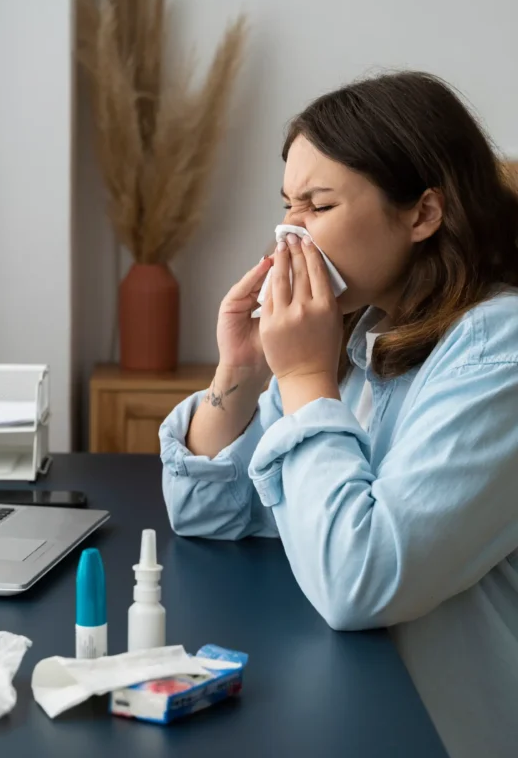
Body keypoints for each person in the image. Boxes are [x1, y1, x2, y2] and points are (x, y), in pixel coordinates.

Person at [159, 71, 518, 758]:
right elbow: (209, 513)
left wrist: (302, 376)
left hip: (451, 732)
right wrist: (241, 370)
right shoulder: (363, 334)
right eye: (287, 205)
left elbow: (359, 581)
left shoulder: (497, 349)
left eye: (316, 206)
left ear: (422, 214)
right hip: (361, 700)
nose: (287, 233)